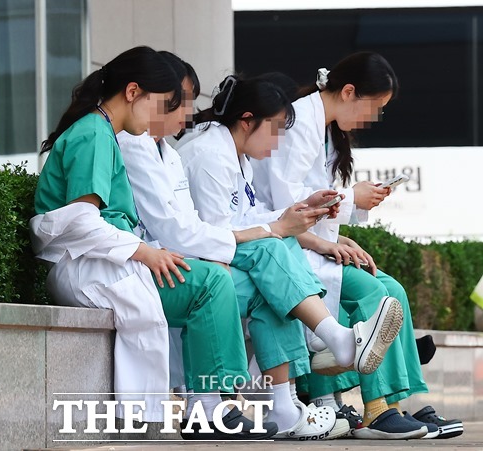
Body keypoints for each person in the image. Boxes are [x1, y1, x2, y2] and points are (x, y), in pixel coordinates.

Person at [137, 67, 404, 439]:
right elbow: (209, 233)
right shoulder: (208, 154)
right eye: (276, 129)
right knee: (270, 253)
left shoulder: (235, 155)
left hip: (209, 256)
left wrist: (291, 217)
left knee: (274, 270)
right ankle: (331, 339)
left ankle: (286, 403)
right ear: (247, 121)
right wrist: (277, 228)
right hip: (195, 261)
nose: (278, 142)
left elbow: (244, 217)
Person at [29, 46, 279, 441]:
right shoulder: (95, 134)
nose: (164, 116)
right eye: (162, 104)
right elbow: (80, 221)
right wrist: (144, 252)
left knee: (213, 280)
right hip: (88, 267)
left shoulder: (101, 132)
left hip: (102, 262)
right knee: (212, 284)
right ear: (133, 92)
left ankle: (213, 408)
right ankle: (212, 410)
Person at [251, 51, 463, 439]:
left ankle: (396, 405)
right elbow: (287, 203)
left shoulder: (325, 126)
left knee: (392, 289)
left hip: (310, 245)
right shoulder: (298, 122)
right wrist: (350, 200)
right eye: (373, 107)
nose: (372, 119)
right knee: (375, 293)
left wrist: (340, 233)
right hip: (287, 249)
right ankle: (377, 409)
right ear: (349, 91)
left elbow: (309, 202)